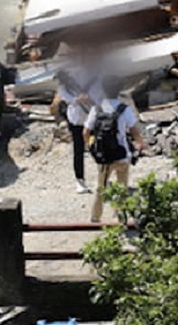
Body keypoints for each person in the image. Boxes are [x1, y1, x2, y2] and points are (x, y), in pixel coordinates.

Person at [84, 75, 146, 223]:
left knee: (101, 187)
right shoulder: (124, 109)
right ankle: (119, 217)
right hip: (121, 154)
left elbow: (85, 132)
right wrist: (139, 144)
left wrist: (92, 147)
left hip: (104, 156)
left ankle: (95, 217)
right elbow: (134, 131)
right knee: (122, 189)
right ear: (119, 90)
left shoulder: (96, 109)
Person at [56, 44, 104, 194]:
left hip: (94, 115)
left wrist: (93, 99)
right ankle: (80, 181)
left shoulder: (100, 74)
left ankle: (103, 180)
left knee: (99, 148)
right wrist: (77, 99)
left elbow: (103, 92)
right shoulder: (74, 74)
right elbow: (62, 92)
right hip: (77, 117)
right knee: (78, 150)